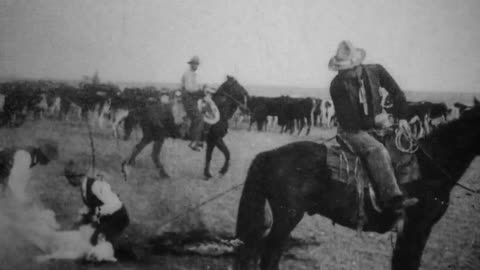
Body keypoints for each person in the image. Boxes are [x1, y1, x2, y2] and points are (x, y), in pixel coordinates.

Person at [328, 40, 418, 215]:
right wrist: (379, 120)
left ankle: (411, 189)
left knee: (406, 147)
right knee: (377, 150)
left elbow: (397, 93)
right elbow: (350, 122)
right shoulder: (337, 85)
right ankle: (393, 199)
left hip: (379, 123)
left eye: (347, 70)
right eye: (341, 70)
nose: (344, 73)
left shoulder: (376, 71)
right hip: (352, 131)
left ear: (357, 65)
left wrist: (402, 118)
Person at [64, 164, 129, 249]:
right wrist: (78, 221)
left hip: (118, 218)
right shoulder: (84, 187)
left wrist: (97, 214)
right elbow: (89, 206)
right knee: (89, 234)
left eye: (70, 179)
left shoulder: (96, 185)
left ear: (77, 177)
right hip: (106, 218)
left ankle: (119, 248)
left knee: (95, 242)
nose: (69, 182)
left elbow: (114, 204)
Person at [0, 138, 58, 203]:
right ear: (42, 154)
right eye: (47, 159)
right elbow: (13, 182)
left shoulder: (33, 157)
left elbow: (19, 178)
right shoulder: (26, 156)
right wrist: (21, 200)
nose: (48, 163)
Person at [181, 55, 206, 151]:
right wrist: (200, 91)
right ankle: (194, 142)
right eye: (194, 64)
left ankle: (198, 138)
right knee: (199, 118)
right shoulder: (188, 74)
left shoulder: (193, 74)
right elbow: (189, 88)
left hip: (192, 99)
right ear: (191, 64)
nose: (196, 66)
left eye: (197, 64)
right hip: (188, 99)